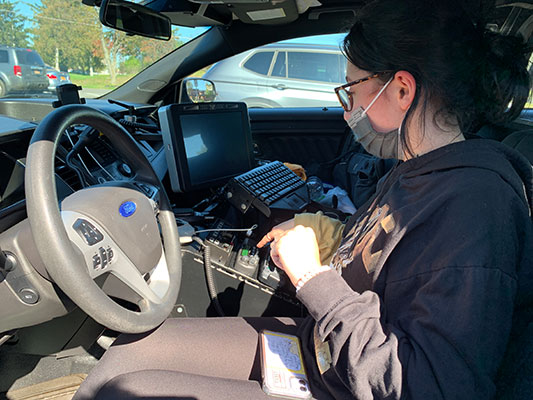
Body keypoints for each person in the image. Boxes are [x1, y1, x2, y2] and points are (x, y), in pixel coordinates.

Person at [74, 0, 533, 399]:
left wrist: (311, 276)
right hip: (328, 352)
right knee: (126, 355)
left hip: (352, 381)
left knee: (126, 392)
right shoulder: (416, 172)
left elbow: (422, 386)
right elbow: (380, 260)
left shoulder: (474, 208)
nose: (344, 105)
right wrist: (325, 236)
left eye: (351, 89)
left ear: (401, 90)